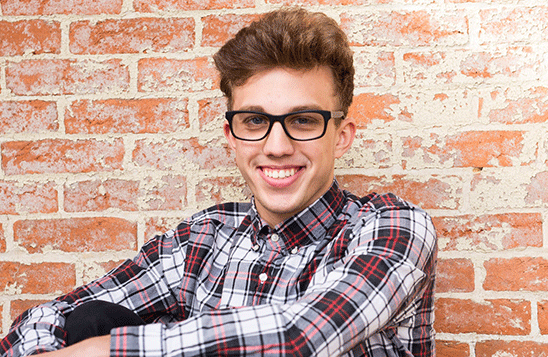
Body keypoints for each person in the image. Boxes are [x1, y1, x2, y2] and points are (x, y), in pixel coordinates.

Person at [0, 7, 437, 357]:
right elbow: (53, 315)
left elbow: (299, 336)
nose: (278, 146)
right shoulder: (202, 239)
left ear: (341, 137)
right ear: (232, 136)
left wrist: (104, 351)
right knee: (90, 319)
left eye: (303, 121)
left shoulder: (392, 228)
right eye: (255, 121)